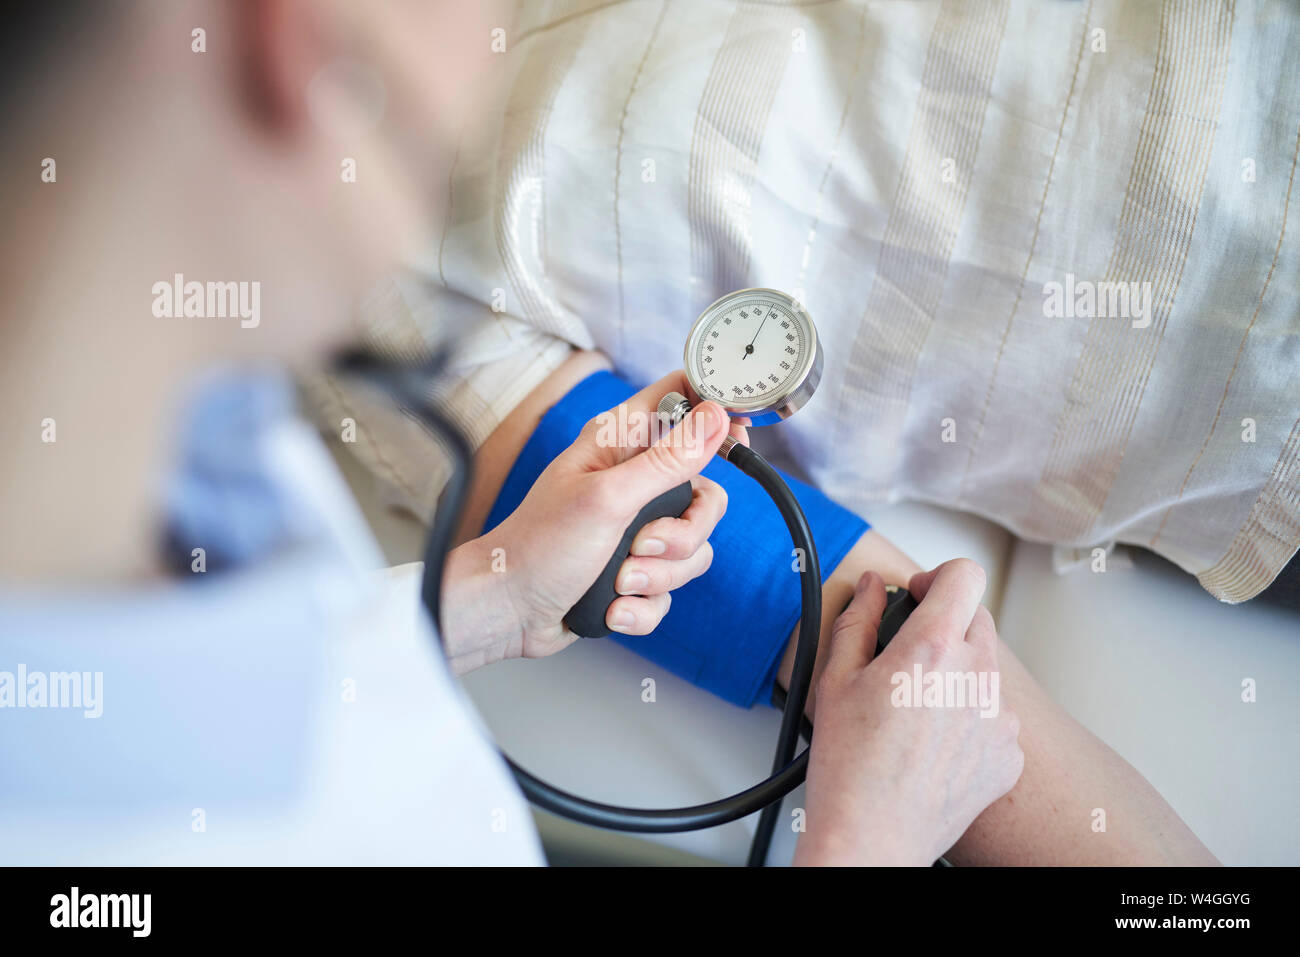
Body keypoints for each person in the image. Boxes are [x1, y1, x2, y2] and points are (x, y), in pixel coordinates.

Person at [0, 0, 1028, 866]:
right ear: (303, 46)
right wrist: (868, 837)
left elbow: (220, 679)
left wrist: (496, 591)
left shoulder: (193, 433)